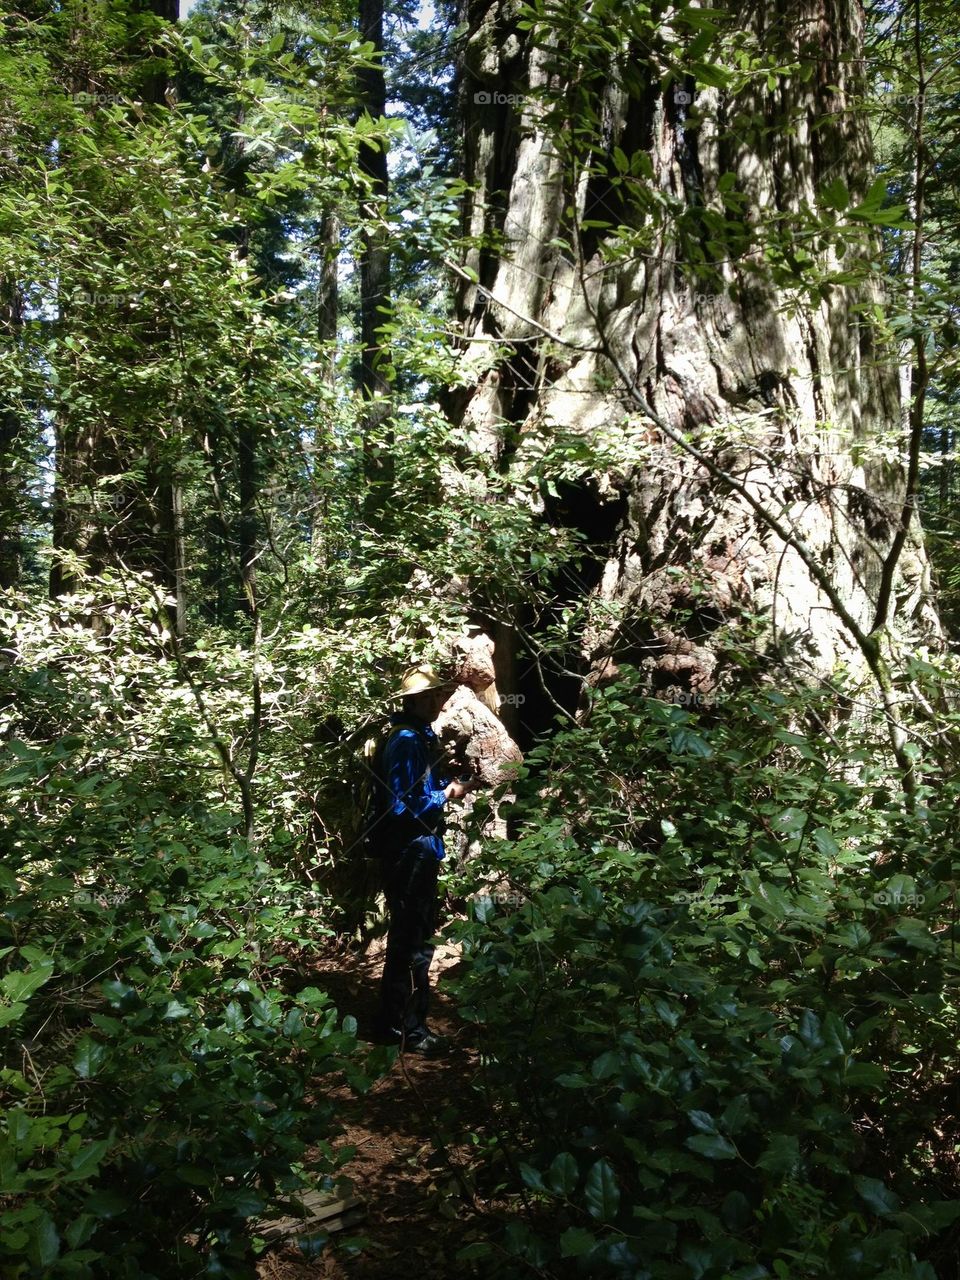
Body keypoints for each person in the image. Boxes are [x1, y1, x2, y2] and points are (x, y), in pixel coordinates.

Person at [375, 664, 479, 1056]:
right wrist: (448, 793)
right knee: (413, 943)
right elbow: (401, 806)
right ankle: (407, 1031)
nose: (438, 702)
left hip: (420, 849)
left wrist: (442, 785)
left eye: (439, 695)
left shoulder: (419, 735)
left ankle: (397, 1023)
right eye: (431, 696)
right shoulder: (405, 740)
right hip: (409, 853)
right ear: (412, 701)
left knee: (413, 939)